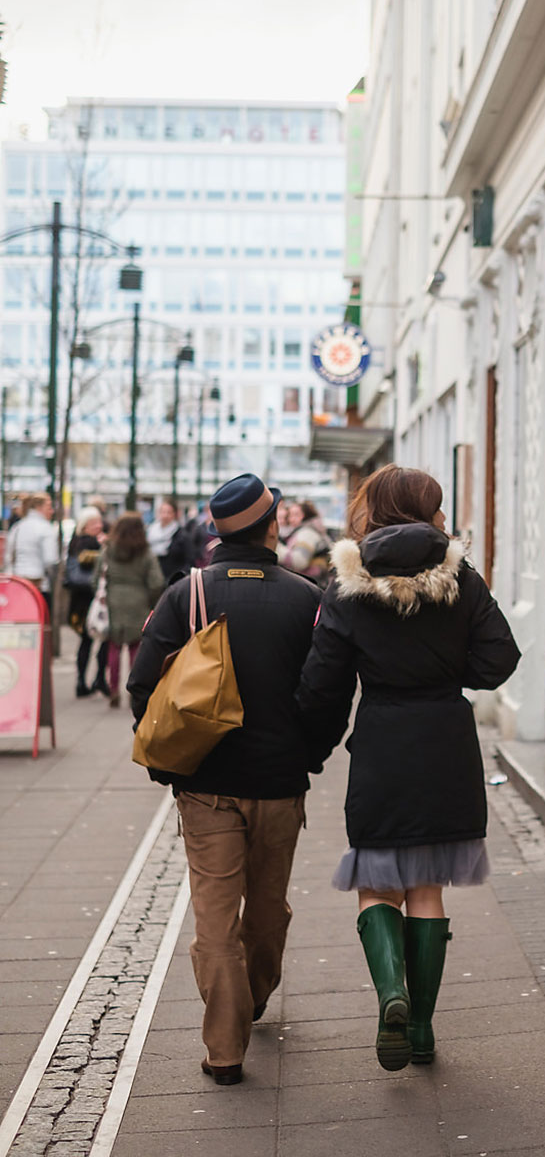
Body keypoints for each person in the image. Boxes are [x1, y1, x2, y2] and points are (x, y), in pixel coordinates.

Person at [295, 463, 520, 1072]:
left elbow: (323, 682)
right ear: (426, 509)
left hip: (384, 740)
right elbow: (500, 658)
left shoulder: (348, 580)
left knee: (378, 880)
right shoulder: (459, 574)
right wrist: (452, 674)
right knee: (427, 886)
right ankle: (419, 1028)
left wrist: (309, 745)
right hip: (445, 739)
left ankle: (390, 993)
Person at [127, 473, 321, 1088]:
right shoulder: (305, 598)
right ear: (273, 526)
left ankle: (225, 1050)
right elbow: (326, 691)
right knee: (266, 910)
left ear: (217, 532)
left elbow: (140, 687)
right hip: (280, 785)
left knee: (214, 918)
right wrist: (308, 755)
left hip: (207, 787)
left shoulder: (188, 596)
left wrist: (174, 754)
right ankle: (255, 996)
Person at [98, 513, 165, 708]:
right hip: (139, 602)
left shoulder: (108, 550)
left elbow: (97, 577)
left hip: (113, 601)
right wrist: (152, 601)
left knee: (114, 647)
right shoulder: (145, 552)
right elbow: (156, 582)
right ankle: (134, 690)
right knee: (136, 648)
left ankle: (113, 689)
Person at [66, 507, 105, 697]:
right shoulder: (85, 542)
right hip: (89, 599)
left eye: (99, 521)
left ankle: (85, 680)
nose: (99, 525)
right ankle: (93, 680)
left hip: (82, 600)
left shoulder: (76, 541)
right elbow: (84, 560)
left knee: (87, 642)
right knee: (94, 640)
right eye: (93, 523)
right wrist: (104, 548)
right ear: (84, 525)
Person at [6, 492, 59, 620]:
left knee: (21, 623)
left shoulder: (17, 527)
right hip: (39, 587)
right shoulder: (46, 528)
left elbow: (9, 558)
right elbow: (50, 560)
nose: (52, 511)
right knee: (40, 624)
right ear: (39, 508)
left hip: (18, 585)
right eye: (49, 507)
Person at [279, 499, 331, 586]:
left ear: (306, 515)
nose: (292, 519)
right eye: (290, 515)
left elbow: (299, 561)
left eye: (296, 514)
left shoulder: (307, 533)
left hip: (312, 583)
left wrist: (277, 548)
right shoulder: (308, 530)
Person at [148, 498, 195, 581]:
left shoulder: (182, 535)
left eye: (169, 512)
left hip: (173, 581)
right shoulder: (151, 532)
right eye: (163, 512)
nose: (165, 515)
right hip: (154, 581)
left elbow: (189, 561)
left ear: (174, 514)